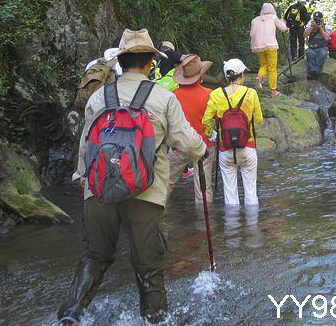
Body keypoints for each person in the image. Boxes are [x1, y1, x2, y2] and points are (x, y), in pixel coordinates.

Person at [58, 29, 208, 325]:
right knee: (148, 265)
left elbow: (86, 143)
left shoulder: (99, 96)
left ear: (121, 61)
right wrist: (203, 151)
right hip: (146, 191)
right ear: (151, 62)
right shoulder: (162, 97)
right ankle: (155, 318)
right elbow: (188, 142)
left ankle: (72, 314)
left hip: (98, 189)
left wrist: (83, 177)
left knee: (94, 256)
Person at [202, 59, 263, 206]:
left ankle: (232, 227)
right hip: (248, 147)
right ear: (242, 74)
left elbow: (206, 120)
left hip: (225, 148)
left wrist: (212, 133)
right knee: (250, 192)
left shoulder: (216, 94)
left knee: (230, 196)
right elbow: (259, 120)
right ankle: (252, 226)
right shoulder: (251, 93)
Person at [166, 54, 215, 204]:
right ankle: (204, 222)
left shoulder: (173, 96)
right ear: (201, 76)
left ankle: (157, 217)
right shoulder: (209, 94)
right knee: (203, 189)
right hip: (204, 146)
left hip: (179, 146)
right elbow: (217, 120)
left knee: (164, 184)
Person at [250, 2, 288, 97]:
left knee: (263, 65)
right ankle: (273, 91)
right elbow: (284, 29)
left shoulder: (255, 20)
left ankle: (259, 78)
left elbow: (251, 34)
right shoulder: (273, 17)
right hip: (271, 46)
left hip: (258, 46)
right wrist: (282, 21)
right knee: (272, 68)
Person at [304, 11, 331, 79]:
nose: (317, 20)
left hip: (322, 47)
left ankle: (313, 72)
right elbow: (304, 35)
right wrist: (312, 27)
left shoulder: (326, 26)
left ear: (322, 19)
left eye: (318, 19)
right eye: (315, 19)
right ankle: (316, 72)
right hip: (312, 47)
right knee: (310, 54)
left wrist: (320, 28)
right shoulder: (310, 25)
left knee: (322, 55)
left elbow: (326, 38)